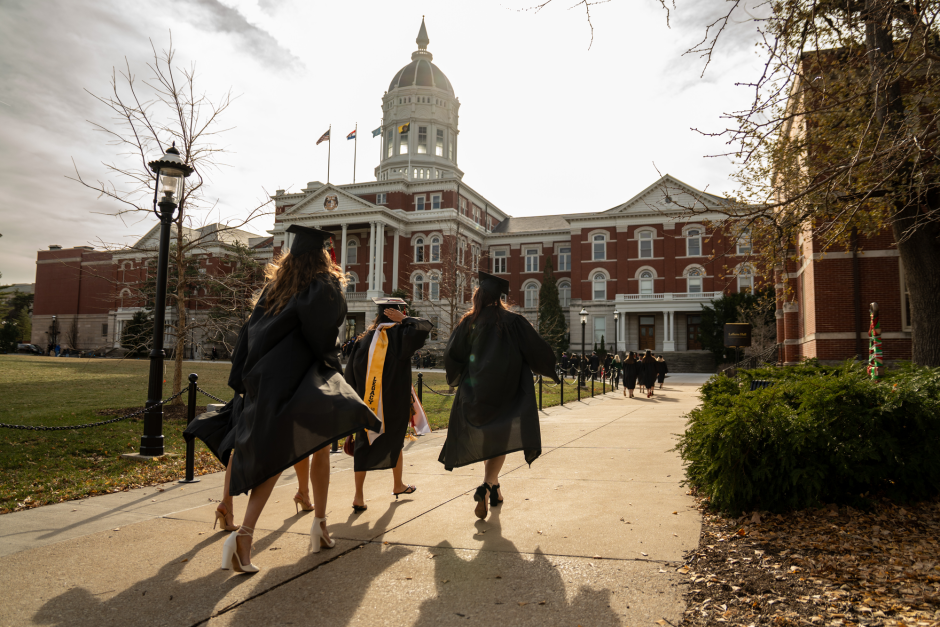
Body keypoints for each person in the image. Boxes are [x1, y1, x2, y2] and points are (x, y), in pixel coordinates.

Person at [185, 224, 380, 573]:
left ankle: (317, 526)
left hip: (263, 375)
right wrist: (332, 364)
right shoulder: (324, 285)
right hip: (300, 376)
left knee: (293, 449)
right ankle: (248, 536)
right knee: (304, 450)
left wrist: (242, 379)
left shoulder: (274, 288)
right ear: (325, 256)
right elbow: (324, 334)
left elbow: (248, 333)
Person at [439, 271, 559, 520]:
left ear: (478, 296)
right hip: (506, 391)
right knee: (499, 439)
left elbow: (452, 355)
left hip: (475, 392)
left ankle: (495, 490)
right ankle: (486, 485)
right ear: (500, 297)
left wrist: (463, 375)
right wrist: (549, 368)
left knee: (488, 440)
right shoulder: (514, 322)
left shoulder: (468, 322)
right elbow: (537, 349)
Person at [344, 297, 432, 513]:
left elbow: (350, 376)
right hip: (394, 402)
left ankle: (358, 496)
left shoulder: (363, 340)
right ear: (397, 312)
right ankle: (398, 484)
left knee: (364, 445)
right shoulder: (400, 335)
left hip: (367, 404)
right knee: (395, 441)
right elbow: (424, 327)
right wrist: (405, 319)